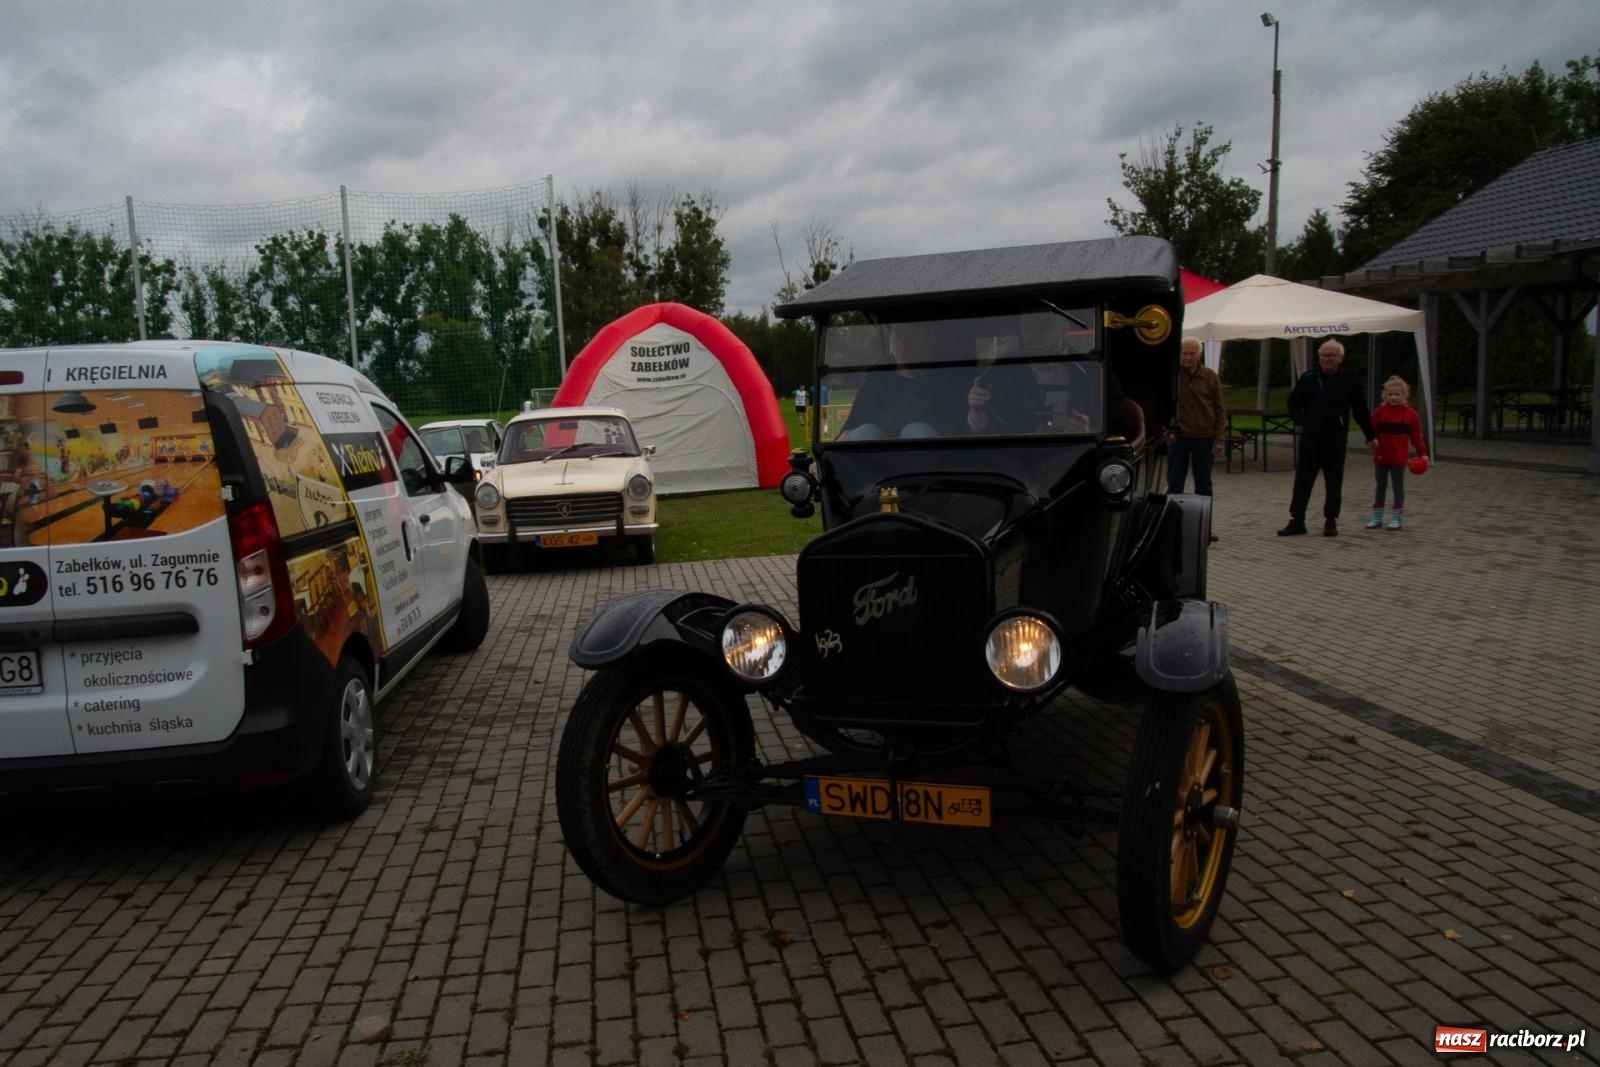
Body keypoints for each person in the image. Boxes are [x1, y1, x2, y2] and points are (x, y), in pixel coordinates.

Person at [1277, 339, 1377, 537]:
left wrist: (1370, 435)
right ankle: (1297, 520)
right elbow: (1293, 402)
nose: (1326, 359)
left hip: (1335, 440)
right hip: (1311, 439)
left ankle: (1331, 520)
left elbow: (1360, 409)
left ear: (1340, 358)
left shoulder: (1349, 380)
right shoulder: (1309, 377)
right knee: (1303, 481)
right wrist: (1303, 421)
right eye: (1323, 355)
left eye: (1331, 355)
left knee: (1334, 482)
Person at [1367, 375, 1429, 531]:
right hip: (1381, 456)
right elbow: (1371, 432)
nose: (1393, 398)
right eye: (1390, 394)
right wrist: (1370, 441)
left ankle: (1396, 518)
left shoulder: (1410, 414)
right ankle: (1377, 517)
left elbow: (1416, 436)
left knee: (1397, 487)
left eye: (1397, 394)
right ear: (1385, 395)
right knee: (1380, 486)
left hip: (1399, 457)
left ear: (1404, 395)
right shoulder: (1379, 412)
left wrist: (1422, 453)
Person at [1166, 338, 1226, 497]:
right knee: (1175, 482)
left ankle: (1203, 517)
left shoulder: (1210, 377)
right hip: (1179, 437)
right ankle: (1173, 517)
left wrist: (1219, 438)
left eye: (1191, 354)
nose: (1187, 357)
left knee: (1204, 483)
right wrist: (1168, 430)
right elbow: (1165, 406)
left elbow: (1220, 409)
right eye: (1184, 353)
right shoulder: (1173, 376)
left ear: (1199, 355)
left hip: (1205, 438)